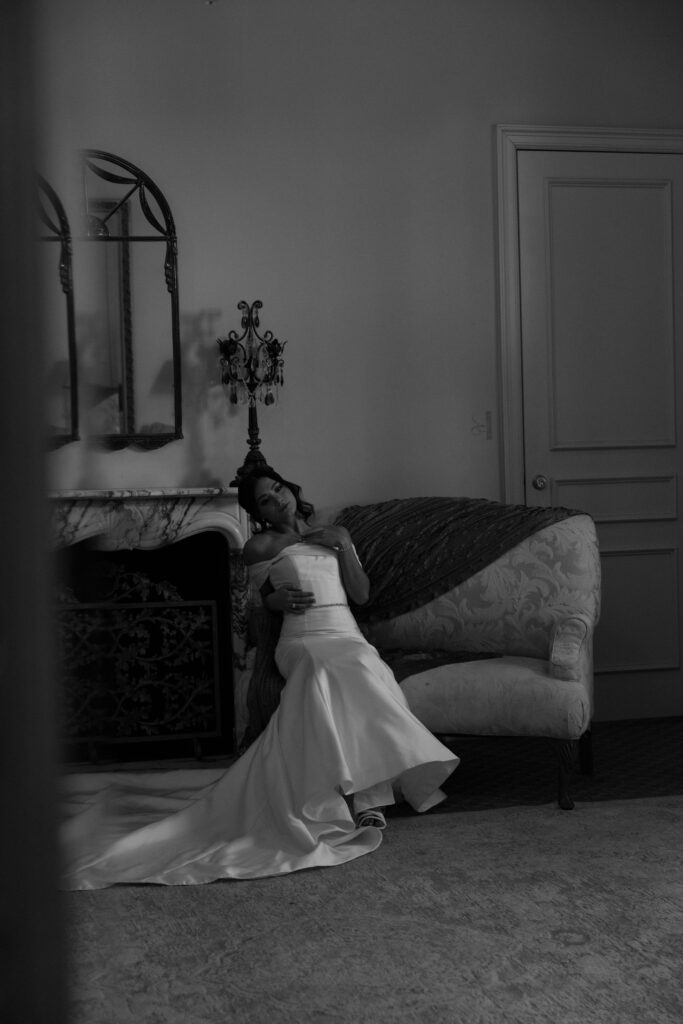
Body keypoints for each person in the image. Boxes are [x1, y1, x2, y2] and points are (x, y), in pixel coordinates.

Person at [60, 466, 458, 890]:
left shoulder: (335, 533)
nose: (278, 499)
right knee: (329, 670)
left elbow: (360, 595)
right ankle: (364, 800)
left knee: (362, 665)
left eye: (279, 489)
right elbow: (254, 606)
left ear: (292, 488)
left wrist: (343, 545)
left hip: (346, 634)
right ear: (260, 512)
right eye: (267, 499)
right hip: (303, 640)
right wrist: (275, 599)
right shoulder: (260, 545)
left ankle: (366, 797)